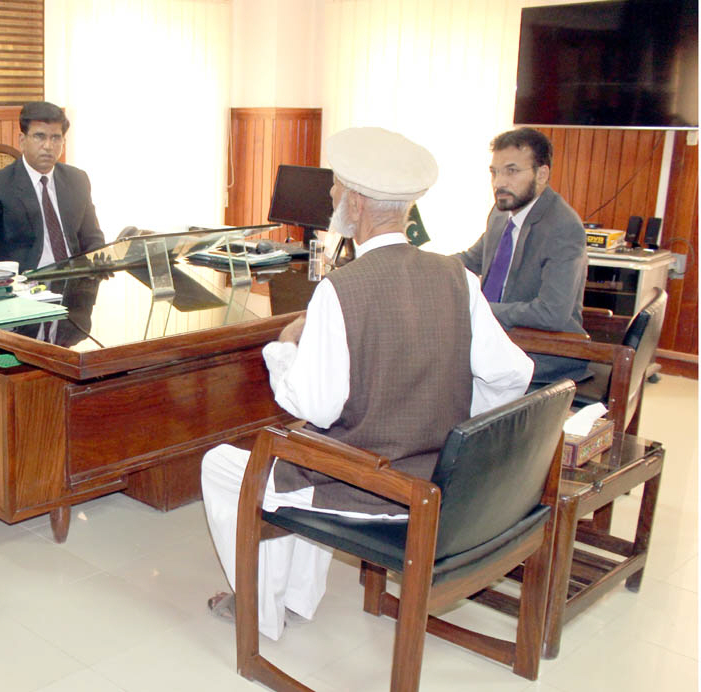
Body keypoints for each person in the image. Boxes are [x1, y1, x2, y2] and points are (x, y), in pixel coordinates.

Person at [201, 127, 534, 641]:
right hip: (439, 480)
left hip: (373, 488)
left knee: (228, 464)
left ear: (355, 203)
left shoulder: (340, 288)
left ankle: (259, 611)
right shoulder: (456, 278)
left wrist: (287, 347)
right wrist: (455, 433)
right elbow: (513, 374)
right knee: (302, 454)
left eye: (336, 189)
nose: (333, 197)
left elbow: (314, 404)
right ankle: (295, 599)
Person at [455, 127, 589, 384]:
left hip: (541, 350)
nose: (499, 183)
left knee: (440, 369)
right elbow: (471, 260)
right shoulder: (501, 211)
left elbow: (552, 313)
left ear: (542, 174)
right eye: (494, 172)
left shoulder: (563, 227)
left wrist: (483, 310)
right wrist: (424, 266)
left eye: (511, 171)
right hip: (498, 336)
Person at [0, 101, 106, 272]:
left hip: (74, 283)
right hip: (26, 282)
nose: (48, 146)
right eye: (39, 136)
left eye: (55, 138)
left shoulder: (77, 179)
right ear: (22, 140)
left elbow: (93, 238)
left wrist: (100, 265)